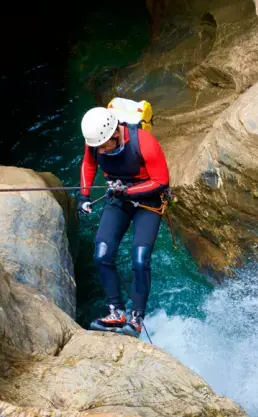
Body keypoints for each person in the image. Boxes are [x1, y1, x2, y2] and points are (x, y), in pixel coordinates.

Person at [76, 106, 170, 338]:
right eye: (96, 146)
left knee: (139, 260)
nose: (99, 150)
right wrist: (84, 196)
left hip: (148, 201)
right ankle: (116, 311)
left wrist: (128, 192)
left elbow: (161, 181)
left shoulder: (144, 143)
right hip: (118, 198)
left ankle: (136, 318)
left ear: (115, 134)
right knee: (102, 254)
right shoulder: (96, 140)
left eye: (103, 145)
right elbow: (89, 164)